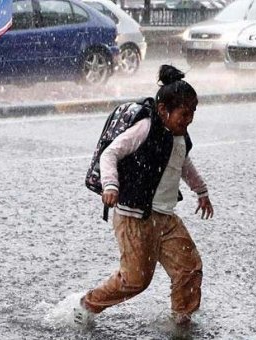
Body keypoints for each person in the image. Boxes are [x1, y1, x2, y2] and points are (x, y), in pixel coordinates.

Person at [72, 65, 214, 328]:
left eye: (193, 112)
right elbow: (110, 153)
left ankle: (182, 321)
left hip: (165, 217)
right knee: (136, 280)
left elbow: (183, 163)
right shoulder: (145, 128)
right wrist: (111, 186)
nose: (189, 119)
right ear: (163, 110)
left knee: (189, 268)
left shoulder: (179, 134)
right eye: (185, 113)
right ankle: (87, 305)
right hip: (134, 217)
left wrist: (201, 192)